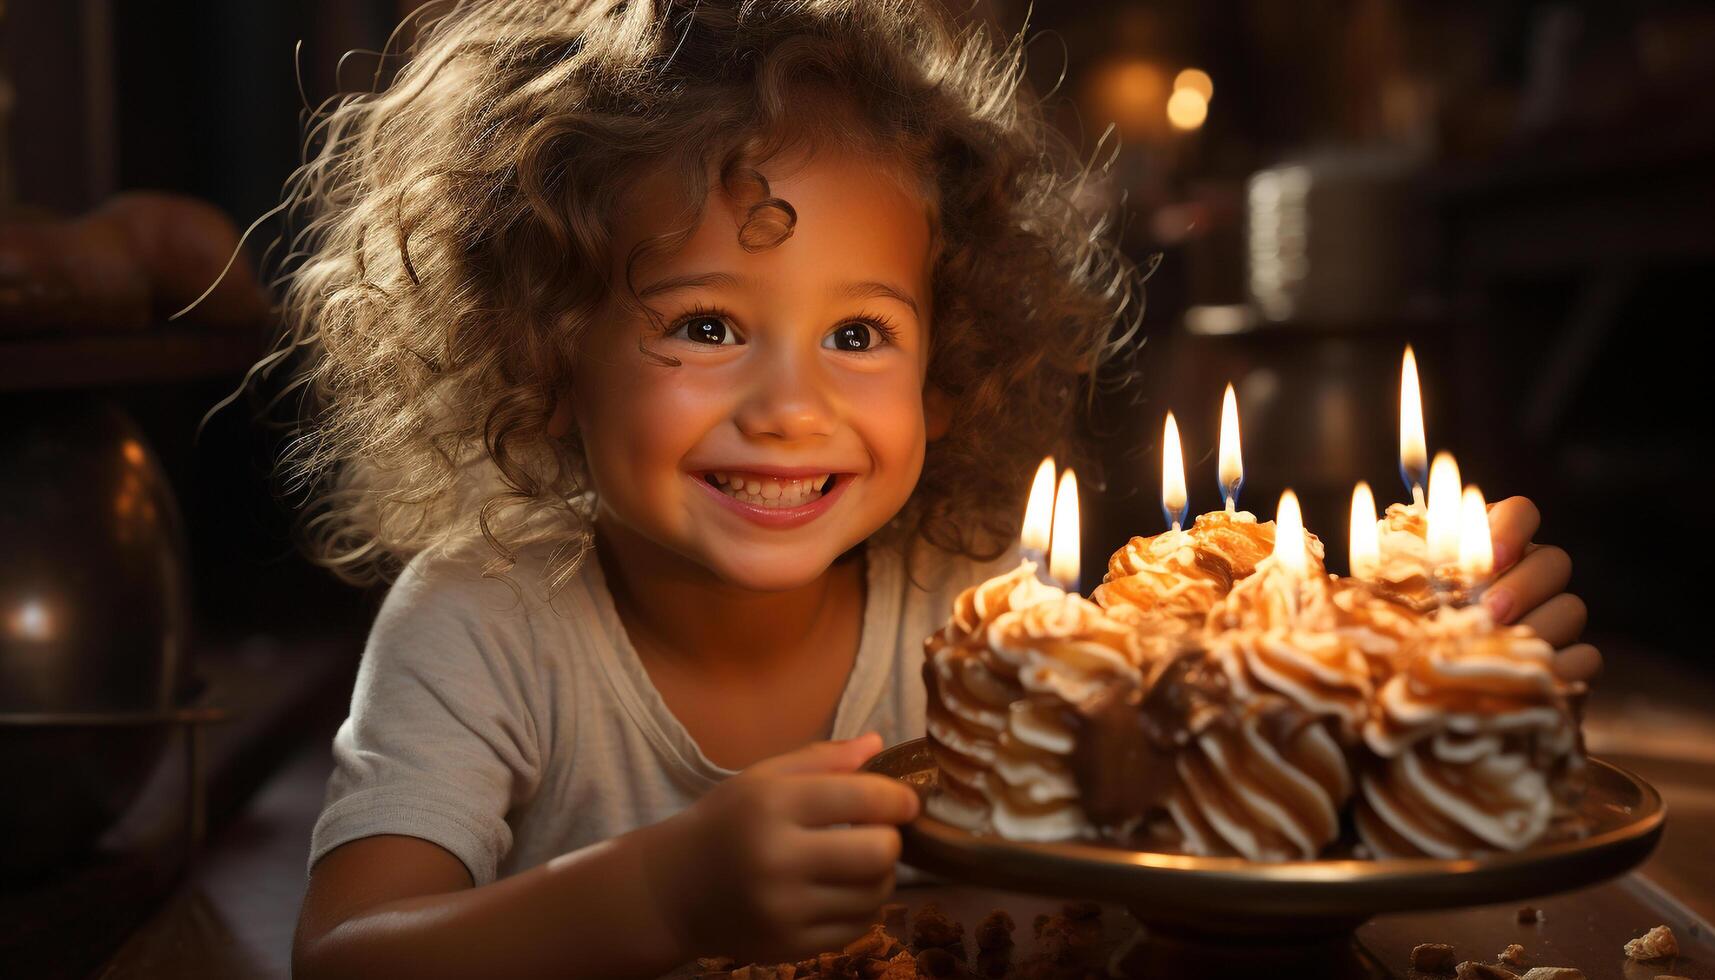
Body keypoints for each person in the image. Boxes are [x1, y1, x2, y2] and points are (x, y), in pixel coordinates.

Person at [286, 2, 1597, 977]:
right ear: (547, 351)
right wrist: (660, 900)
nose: (790, 405)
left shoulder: (979, 608)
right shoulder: (481, 625)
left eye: (858, 337)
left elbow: (1217, 816)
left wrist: (1435, 693)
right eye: (703, 327)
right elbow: (346, 957)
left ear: (950, 358)